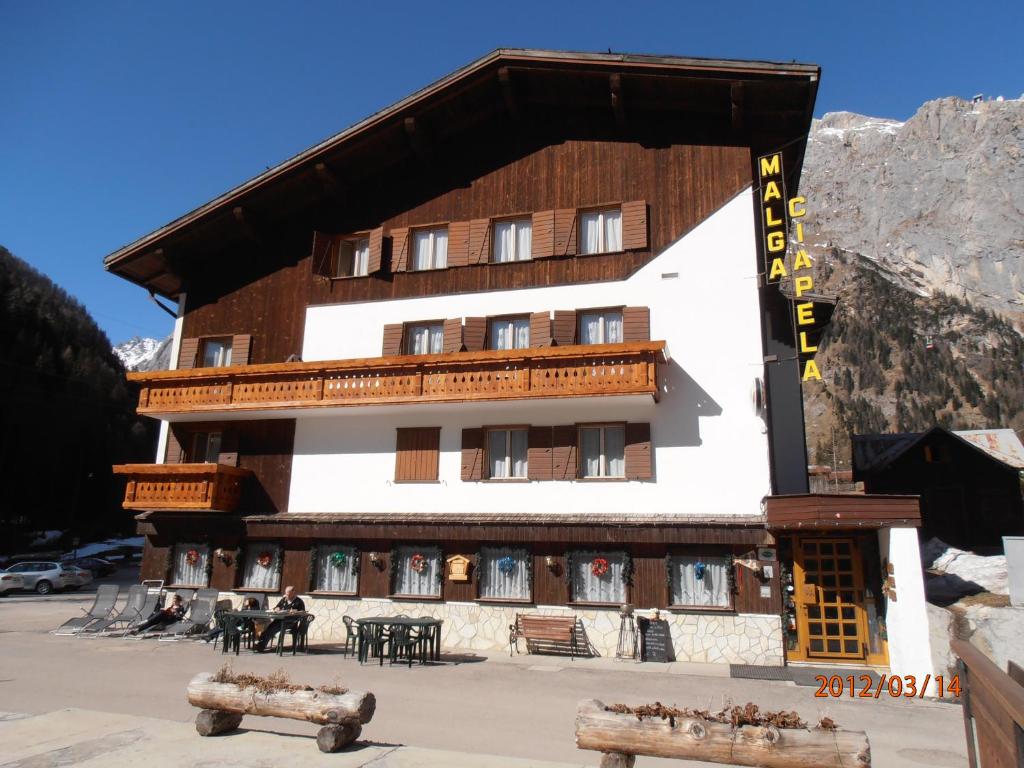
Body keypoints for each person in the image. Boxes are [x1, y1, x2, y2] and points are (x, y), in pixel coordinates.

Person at [253, 586, 305, 652]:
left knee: (272, 629)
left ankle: (261, 646)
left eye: (288, 593)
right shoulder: (284, 600)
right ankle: (260, 644)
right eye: (286, 593)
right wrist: (276, 609)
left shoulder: (299, 601)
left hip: (291, 622)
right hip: (280, 620)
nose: (286, 595)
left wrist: (296, 612)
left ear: (293, 593)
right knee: (269, 627)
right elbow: (276, 607)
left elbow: (303, 612)